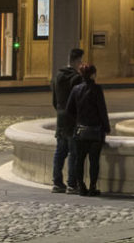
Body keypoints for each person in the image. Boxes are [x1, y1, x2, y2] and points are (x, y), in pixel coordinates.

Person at [67, 64, 111, 196]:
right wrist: (106, 127)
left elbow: (69, 109)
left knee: (79, 160)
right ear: (92, 74)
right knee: (94, 161)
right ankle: (92, 187)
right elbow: (102, 109)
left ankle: (81, 186)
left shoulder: (76, 89)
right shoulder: (97, 89)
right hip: (95, 130)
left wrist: (79, 119)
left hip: (81, 130)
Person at [50, 47, 83, 194]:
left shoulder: (58, 76)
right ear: (77, 61)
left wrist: (60, 110)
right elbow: (80, 100)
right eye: (81, 61)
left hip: (61, 118)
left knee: (60, 151)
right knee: (73, 153)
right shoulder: (77, 78)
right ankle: (72, 184)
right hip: (73, 119)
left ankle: (57, 182)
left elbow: (54, 99)